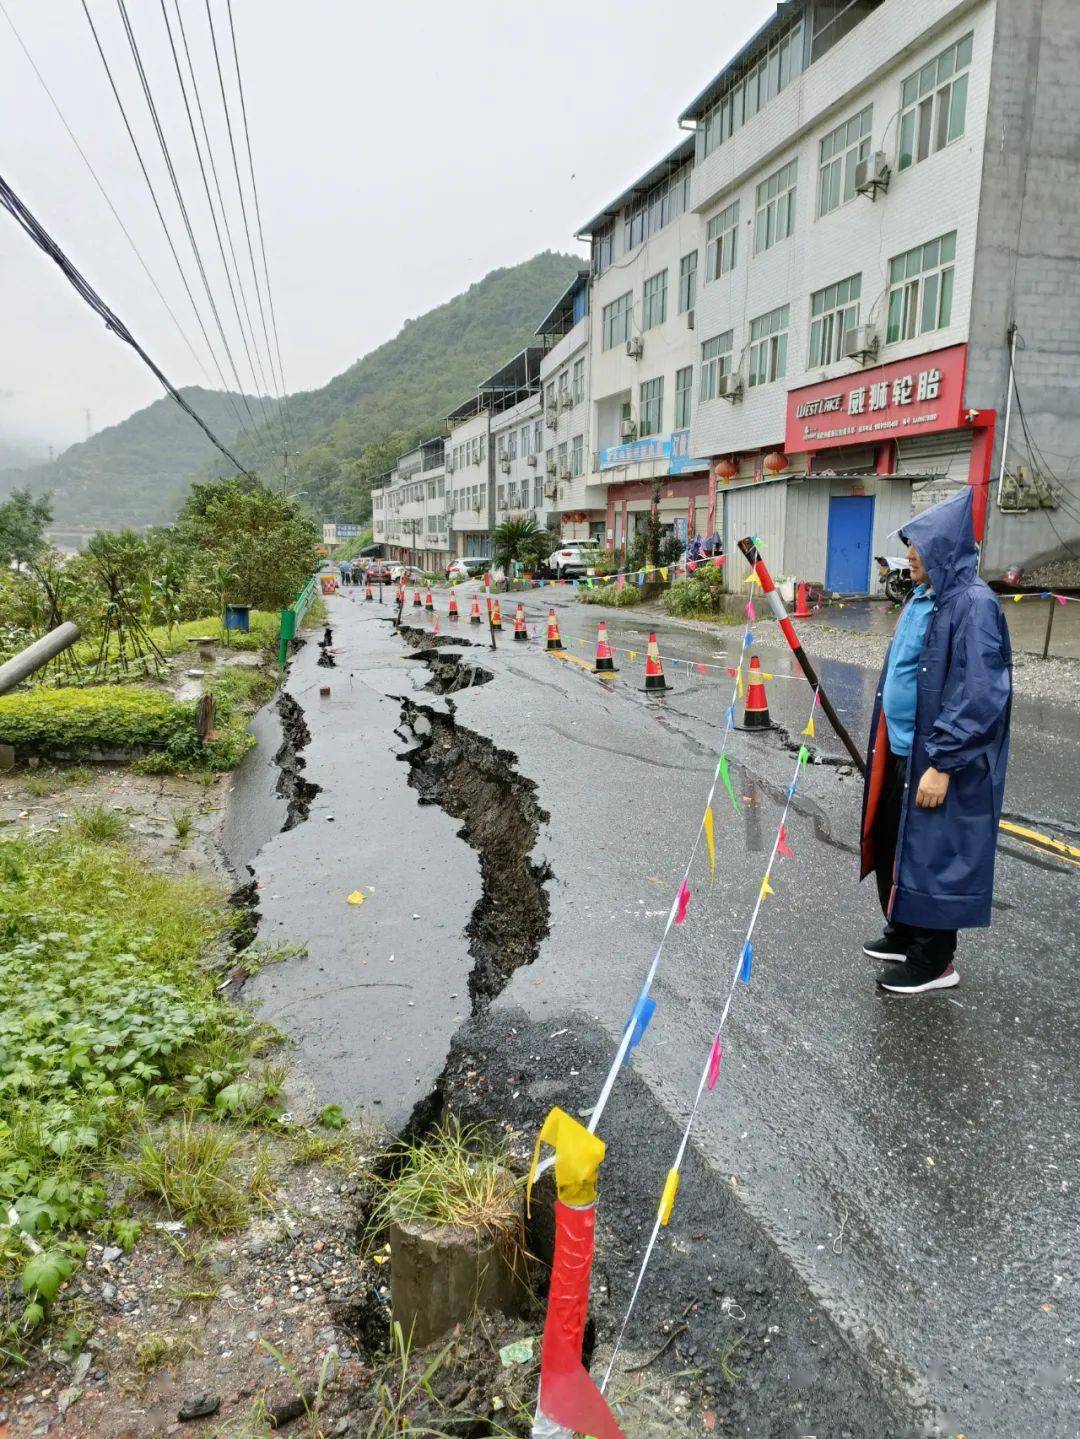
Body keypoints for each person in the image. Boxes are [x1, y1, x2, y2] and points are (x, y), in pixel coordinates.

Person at [859, 487, 1012, 995]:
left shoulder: (973, 605)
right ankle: (904, 931)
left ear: (945, 547)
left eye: (919, 545)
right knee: (896, 843)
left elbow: (980, 693)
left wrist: (943, 761)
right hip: (905, 748)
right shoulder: (924, 597)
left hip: (939, 757)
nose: (910, 555)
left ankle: (935, 960)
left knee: (935, 851)